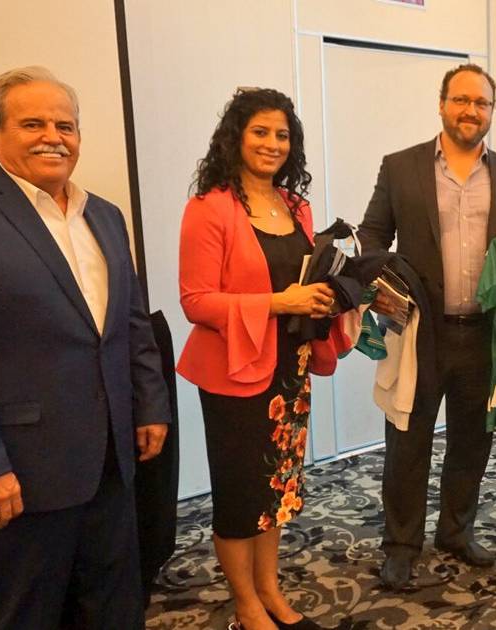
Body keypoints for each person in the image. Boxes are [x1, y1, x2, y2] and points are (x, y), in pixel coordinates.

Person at [0, 66, 170, 630]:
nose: (53, 136)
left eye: (65, 125)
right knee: (25, 614)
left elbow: (130, 324)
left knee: (116, 604)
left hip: (112, 459)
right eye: (33, 124)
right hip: (21, 471)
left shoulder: (105, 215)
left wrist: (149, 405)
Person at [356, 63, 496, 590]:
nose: (470, 110)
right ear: (442, 104)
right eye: (461, 100)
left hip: (484, 332)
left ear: (492, 111)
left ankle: (456, 531)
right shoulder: (401, 167)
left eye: (481, 102)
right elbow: (372, 234)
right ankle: (400, 545)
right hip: (420, 330)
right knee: (407, 441)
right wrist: (383, 286)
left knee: (472, 441)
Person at [178, 88, 345, 630]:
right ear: (236, 137)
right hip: (232, 371)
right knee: (239, 493)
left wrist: (331, 295)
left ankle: (270, 590)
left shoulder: (296, 206)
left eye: (282, 135)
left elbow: (304, 279)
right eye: (260, 132)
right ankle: (246, 604)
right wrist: (278, 303)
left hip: (289, 368)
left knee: (277, 487)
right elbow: (196, 302)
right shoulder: (209, 207)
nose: (273, 144)